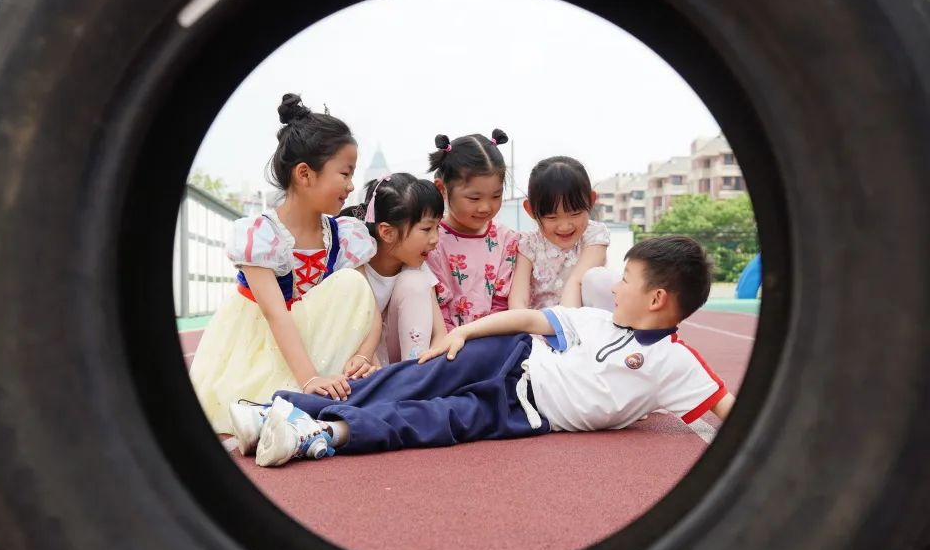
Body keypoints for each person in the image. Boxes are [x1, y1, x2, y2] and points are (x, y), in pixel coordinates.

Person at [228, 236, 735, 466]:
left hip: (524, 414)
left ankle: (317, 434)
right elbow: (532, 320)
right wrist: (464, 334)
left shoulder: (677, 362)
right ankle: (280, 407)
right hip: (509, 356)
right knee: (410, 379)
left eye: (626, 281)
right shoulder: (599, 319)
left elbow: (727, 406)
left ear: (657, 299)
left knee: (432, 422)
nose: (616, 288)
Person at [190, 94, 380, 434]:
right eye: (345, 173)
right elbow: (277, 315)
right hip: (265, 346)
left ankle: (328, 389)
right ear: (305, 174)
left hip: (318, 344)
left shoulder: (345, 235)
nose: (351, 186)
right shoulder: (261, 236)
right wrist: (308, 379)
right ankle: (301, 394)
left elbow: (368, 308)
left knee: (353, 285)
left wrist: (365, 355)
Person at [338, 173, 447, 364]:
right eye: (426, 229)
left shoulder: (417, 269)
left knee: (414, 280)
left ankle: (412, 378)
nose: (435, 239)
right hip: (361, 366)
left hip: (406, 368)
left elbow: (440, 335)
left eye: (437, 227)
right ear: (387, 232)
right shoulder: (356, 266)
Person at [424, 130, 521, 330]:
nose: (485, 207)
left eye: (496, 196)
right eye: (474, 198)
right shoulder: (431, 241)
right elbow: (437, 308)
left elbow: (502, 304)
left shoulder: (507, 240)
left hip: (495, 337)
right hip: (447, 342)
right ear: (442, 189)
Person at [508, 156, 615, 311]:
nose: (564, 226)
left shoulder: (594, 236)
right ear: (530, 210)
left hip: (585, 325)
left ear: (591, 200)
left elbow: (576, 281)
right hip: (540, 326)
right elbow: (518, 302)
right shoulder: (528, 245)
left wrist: (564, 330)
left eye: (575, 214)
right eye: (552, 217)